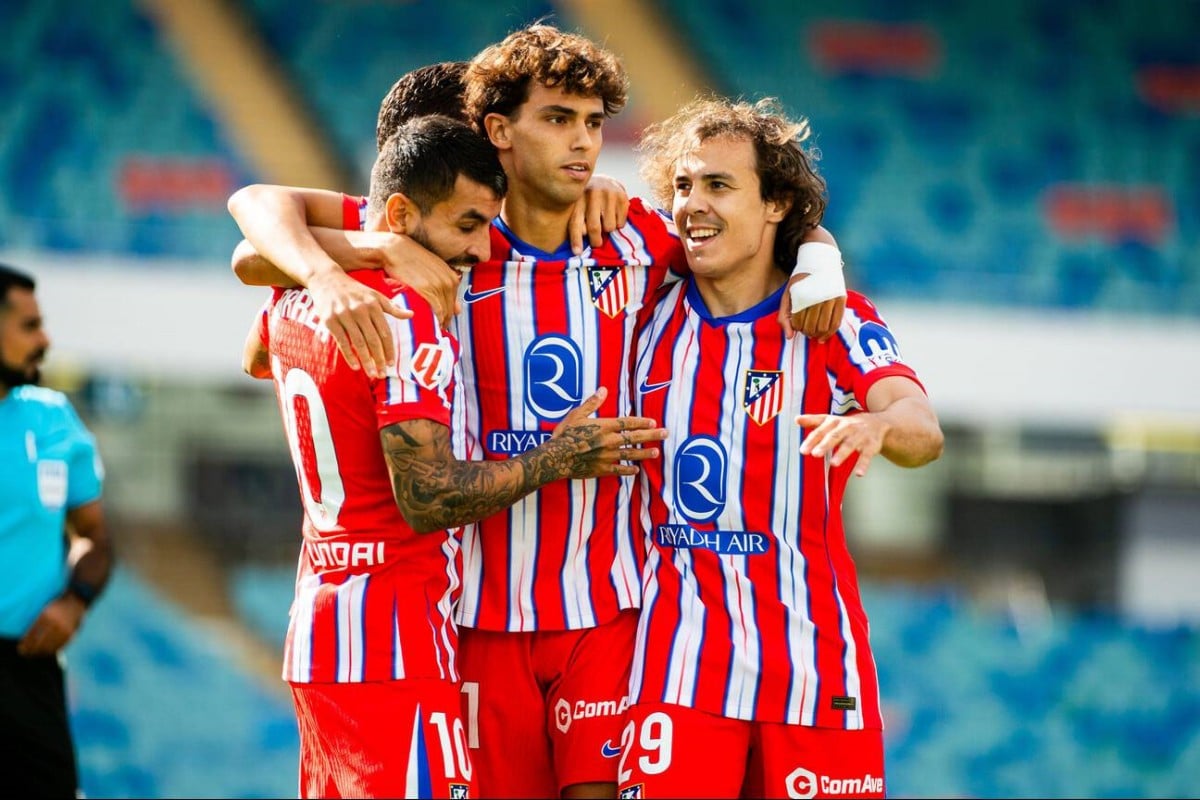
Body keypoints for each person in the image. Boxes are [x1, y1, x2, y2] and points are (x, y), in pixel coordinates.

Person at [244, 114, 666, 799]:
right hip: (395, 637)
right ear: (403, 211)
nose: (482, 247)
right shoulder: (405, 319)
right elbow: (428, 497)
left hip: (321, 623)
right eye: (469, 224)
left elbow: (254, 348)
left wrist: (356, 254)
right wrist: (558, 457)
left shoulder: (303, 290)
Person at [620, 96, 944, 798]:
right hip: (678, 665)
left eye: (718, 185)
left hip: (813, 665)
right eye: (683, 185)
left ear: (777, 205)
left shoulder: (830, 318)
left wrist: (879, 427)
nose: (692, 204)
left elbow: (924, 430)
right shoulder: (646, 305)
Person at [0, 263, 113, 798]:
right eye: (29, 326)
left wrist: (75, 601)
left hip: (27, 672)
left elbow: (94, 536)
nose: (44, 340)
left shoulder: (53, 420)